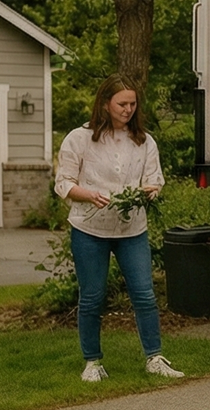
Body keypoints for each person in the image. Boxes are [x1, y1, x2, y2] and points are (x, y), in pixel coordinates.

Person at [53, 75, 182, 383]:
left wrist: (151, 191)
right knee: (92, 296)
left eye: (133, 104)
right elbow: (63, 183)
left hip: (131, 229)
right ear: (105, 103)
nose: (128, 109)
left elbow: (155, 179)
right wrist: (88, 194)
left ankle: (154, 357)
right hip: (89, 228)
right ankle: (93, 363)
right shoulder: (79, 138)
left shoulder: (144, 141)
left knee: (144, 294)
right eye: (122, 104)